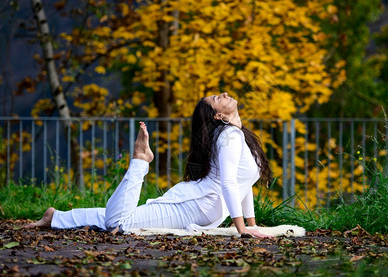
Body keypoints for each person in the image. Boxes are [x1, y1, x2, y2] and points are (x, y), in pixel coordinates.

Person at [25, 92, 272, 238]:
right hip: (195, 206)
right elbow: (228, 182)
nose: (226, 94)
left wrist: (251, 225)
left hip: (203, 207)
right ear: (218, 116)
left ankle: (57, 217)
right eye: (219, 97)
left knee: (130, 218)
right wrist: (242, 230)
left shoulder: (237, 135)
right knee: (120, 223)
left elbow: (242, 183)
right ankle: (140, 161)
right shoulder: (230, 136)